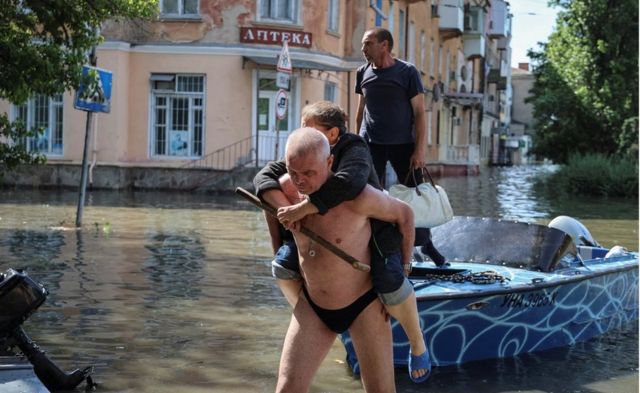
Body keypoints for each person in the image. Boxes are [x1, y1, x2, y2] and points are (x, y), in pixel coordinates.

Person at [254, 101, 431, 383]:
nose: (300, 182)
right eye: (294, 172)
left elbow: (405, 215)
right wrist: (279, 237)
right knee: (287, 389)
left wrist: (406, 265)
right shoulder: (287, 187)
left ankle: (417, 342)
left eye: (309, 174)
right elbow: (265, 190)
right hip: (313, 305)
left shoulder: (358, 194)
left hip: (363, 305)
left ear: (329, 160)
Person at [356, 27, 446, 266]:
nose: (363, 48)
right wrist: (356, 145)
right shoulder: (362, 72)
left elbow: (419, 113)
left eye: (368, 43)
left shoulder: (407, 72)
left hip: (404, 146)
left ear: (385, 45)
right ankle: (379, 249)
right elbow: (360, 112)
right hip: (372, 144)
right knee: (371, 197)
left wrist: (419, 151)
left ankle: (426, 245)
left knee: (416, 197)